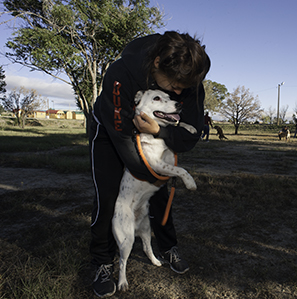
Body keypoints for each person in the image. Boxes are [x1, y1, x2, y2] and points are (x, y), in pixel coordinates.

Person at [89, 31, 210, 297]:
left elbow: (189, 138)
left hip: (152, 130)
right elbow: (121, 137)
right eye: (175, 85)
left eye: (185, 87)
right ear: (157, 63)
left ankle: (167, 247)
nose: (179, 92)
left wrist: (158, 130)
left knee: (159, 193)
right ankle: (102, 261)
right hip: (111, 131)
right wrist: (150, 174)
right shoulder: (122, 72)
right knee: (109, 194)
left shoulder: (190, 80)